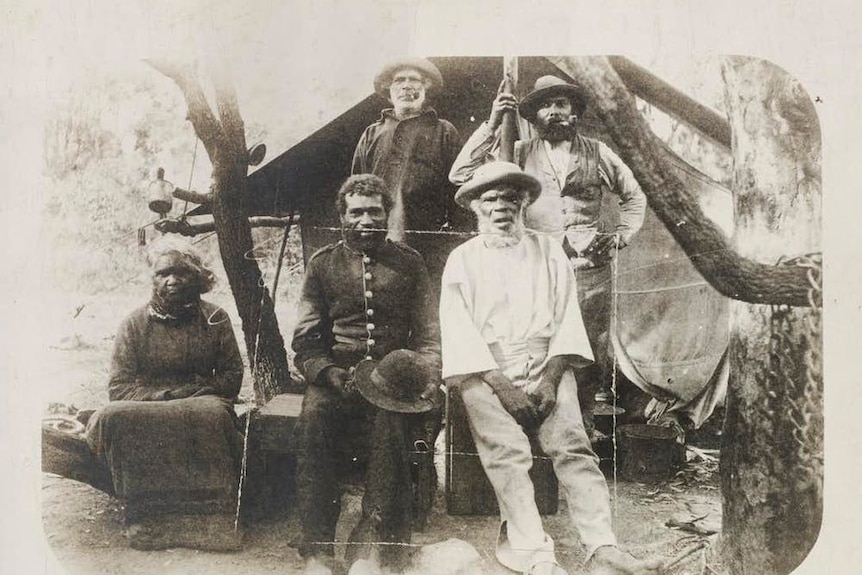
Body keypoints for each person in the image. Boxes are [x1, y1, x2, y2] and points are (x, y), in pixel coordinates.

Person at [439, 162, 662, 575]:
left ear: (524, 204)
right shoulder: (461, 259)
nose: (502, 207)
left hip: (548, 363)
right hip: (485, 370)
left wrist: (551, 378)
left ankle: (601, 548)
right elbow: (459, 330)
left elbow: (566, 319)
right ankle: (535, 554)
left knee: (574, 447)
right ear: (476, 208)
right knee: (507, 454)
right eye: (491, 199)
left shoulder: (548, 250)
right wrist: (502, 385)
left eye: (510, 198)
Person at [449, 75, 648, 427]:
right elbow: (462, 174)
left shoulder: (599, 153)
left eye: (562, 104)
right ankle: (529, 421)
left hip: (589, 266)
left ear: (574, 112)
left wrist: (620, 235)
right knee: (537, 343)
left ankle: (580, 426)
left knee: (586, 347)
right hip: (534, 265)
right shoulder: (518, 152)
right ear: (532, 115)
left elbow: (635, 194)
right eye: (545, 105)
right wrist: (493, 123)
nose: (554, 112)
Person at [291, 174, 442, 574]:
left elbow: (429, 336)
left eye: (375, 212)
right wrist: (327, 373)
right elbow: (306, 341)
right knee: (313, 419)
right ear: (342, 216)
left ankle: (373, 541)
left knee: (391, 427)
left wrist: (425, 378)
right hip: (336, 377)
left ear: (387, 215)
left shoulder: (409, 263)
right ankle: (316, 548)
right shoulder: (322, 265)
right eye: (356, 212)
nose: (366, 221)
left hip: (393, 381)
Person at [84, 238, 244, 550]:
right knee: (114, 414)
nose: (171, 280)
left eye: (181, 272)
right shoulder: (133, 324)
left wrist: (199, 392)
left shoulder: (215, 318)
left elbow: (232, 377)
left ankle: (212, 517)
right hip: (148, 403)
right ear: (152, 278)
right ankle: (147, 515)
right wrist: (166, 397)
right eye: (162, 273)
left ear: (197, 276)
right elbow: (119, 387)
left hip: (202, 402)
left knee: (211, 413)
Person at [352, 57, 464, 286]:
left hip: (430, 246)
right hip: (379, 243)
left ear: (426, 88)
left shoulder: (444, 131)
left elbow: (458, 191)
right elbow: (355, 191)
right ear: (389, 90)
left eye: (414, 80)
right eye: (399, 81)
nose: (406, 86)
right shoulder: (371, 134)